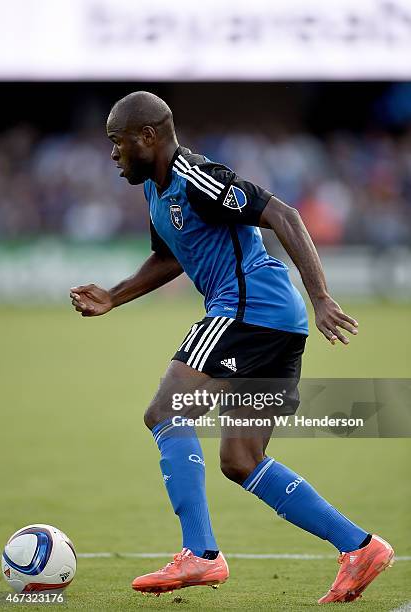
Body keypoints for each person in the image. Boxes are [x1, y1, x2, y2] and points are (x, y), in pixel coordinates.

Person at [70, 91, 394, 603]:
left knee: (165, 412)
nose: (113, 154)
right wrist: (113, 296)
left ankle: (200, 555)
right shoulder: (156, 193)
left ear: (148, 137)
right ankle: (360, 547)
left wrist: (323, 298)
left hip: (249, 311)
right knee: (241, 459)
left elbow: (284, 214)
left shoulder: (197, 176)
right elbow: (170, 257)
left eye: (118, 142)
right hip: (274, 323)